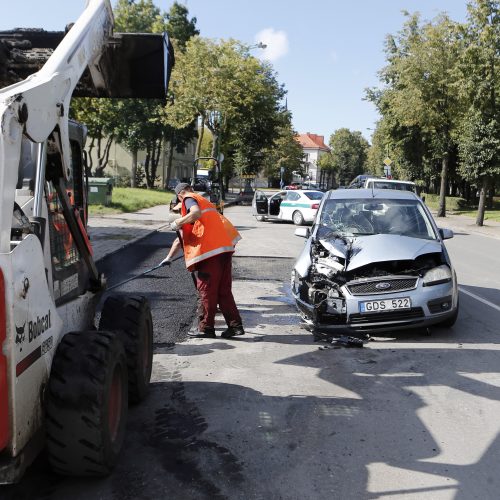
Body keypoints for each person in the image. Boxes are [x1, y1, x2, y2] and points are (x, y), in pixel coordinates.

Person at [160, 183, 244, 339]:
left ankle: (206, 328)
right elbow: (181, 240)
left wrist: (177, 222)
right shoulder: (206, 203)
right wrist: (168, 258)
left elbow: (195, 213)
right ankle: (235, 326)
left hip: (210, 254)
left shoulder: (188, 198)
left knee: (206, 291)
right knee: (223, 291)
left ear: (180, 195)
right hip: (224, 251)